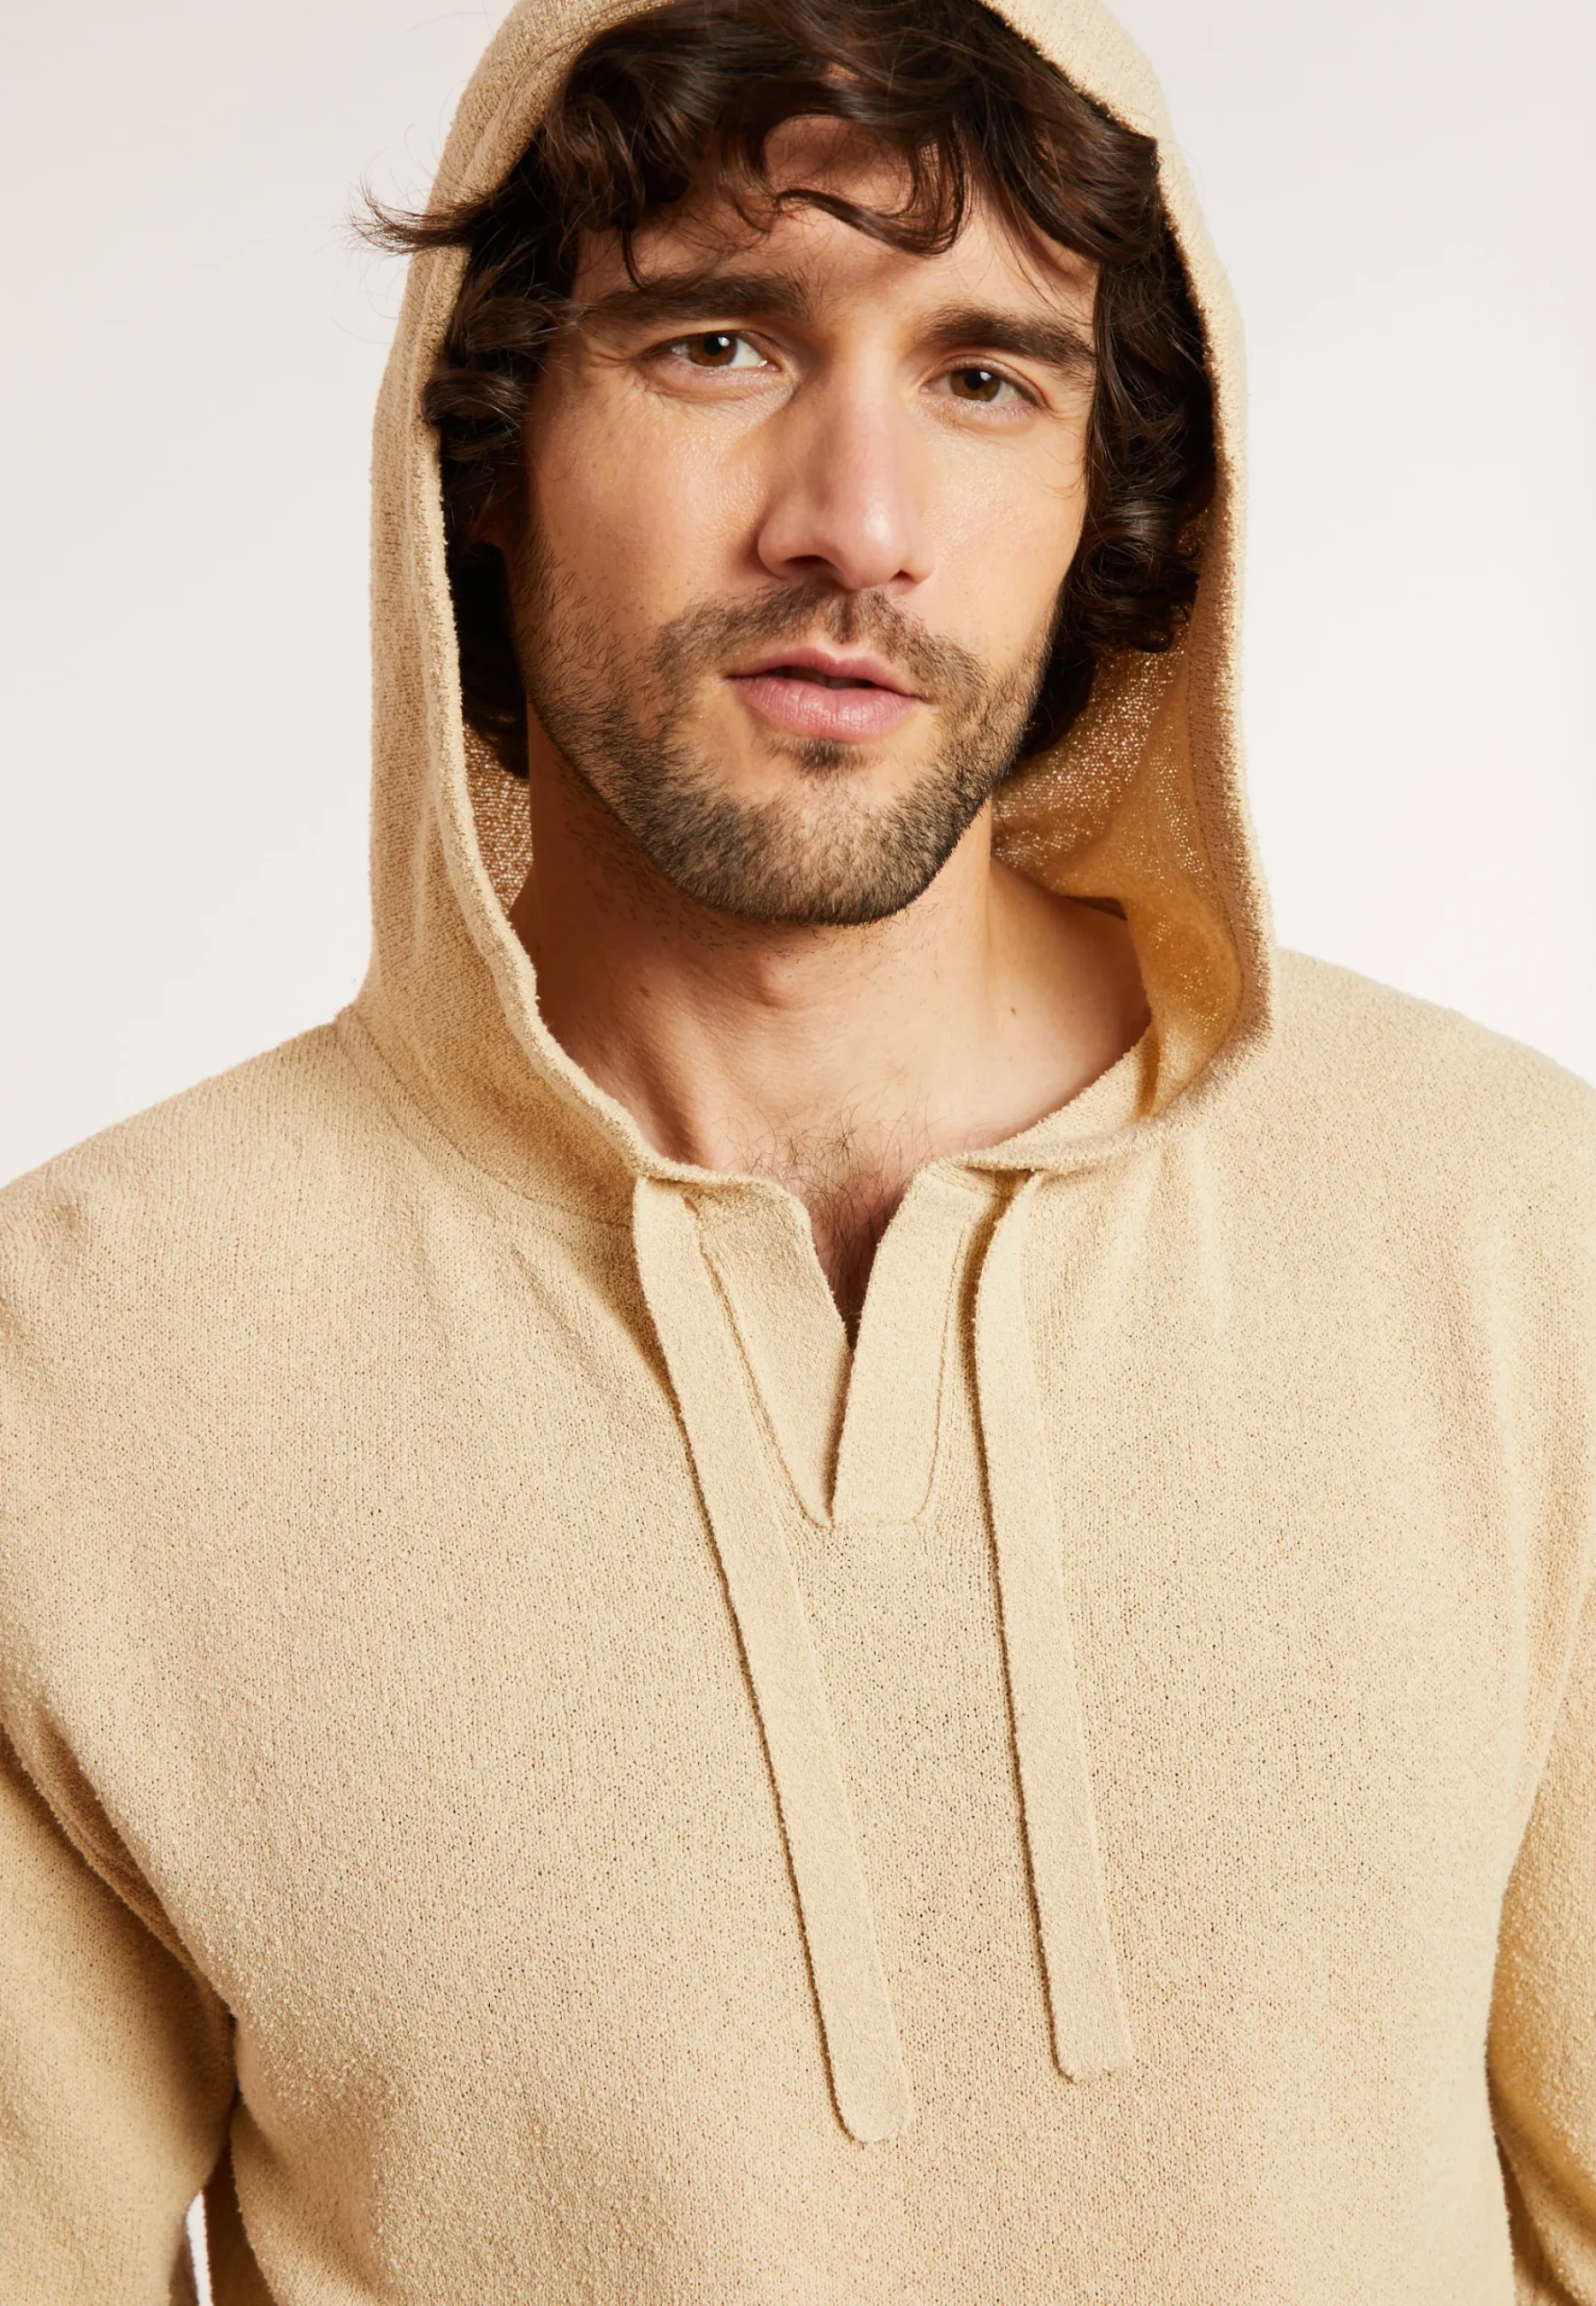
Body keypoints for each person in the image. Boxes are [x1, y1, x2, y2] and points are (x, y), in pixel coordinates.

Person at [1, 0, 1591, 2296]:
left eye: (986, 376)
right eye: (720, 341)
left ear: (1109, 495)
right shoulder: (84, 1366)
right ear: (485, 443)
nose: (857, 524)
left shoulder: (1512, 1240)